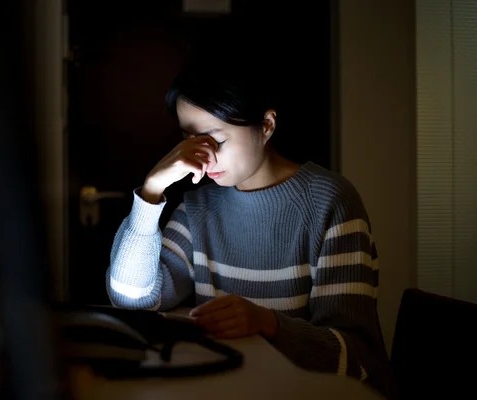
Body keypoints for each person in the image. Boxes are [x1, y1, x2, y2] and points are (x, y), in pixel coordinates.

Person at [105, 59, 395, 399]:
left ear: (267, 125)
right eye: (189, 140)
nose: (203, 157)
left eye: (215, 140)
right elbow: (131, 299)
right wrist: (152, 191)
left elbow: (355, 357)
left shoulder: (330, 202)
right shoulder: (199, 206)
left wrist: (268, 324)